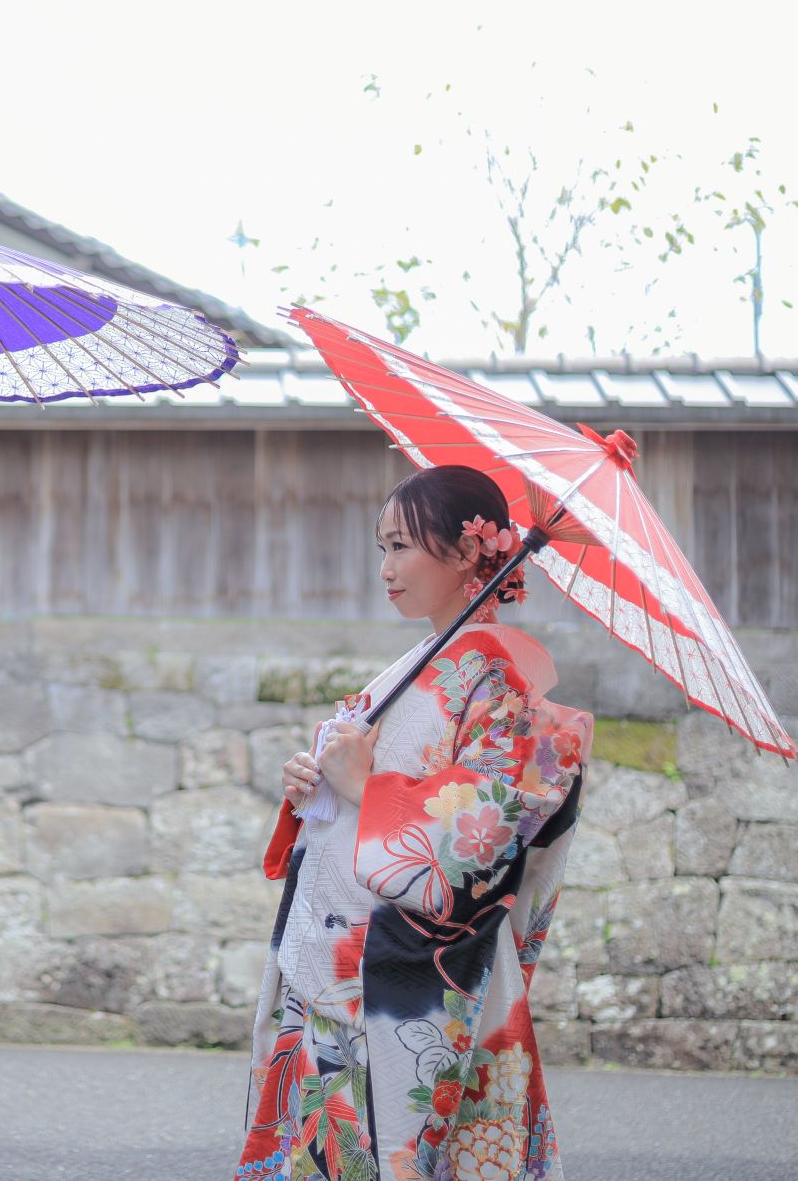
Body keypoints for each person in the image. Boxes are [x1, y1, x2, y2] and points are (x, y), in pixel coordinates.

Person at [236, 465, 593, 1181]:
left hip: (410, 974)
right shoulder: (425, 662)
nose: (385, 568)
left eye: (399, 546)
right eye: (381, 548)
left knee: (395, 1149)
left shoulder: (496, 679)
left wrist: (363, 785)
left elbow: (482, 838)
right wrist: (313, 785)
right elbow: (360, 782)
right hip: (343, 953)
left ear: (466, 554)